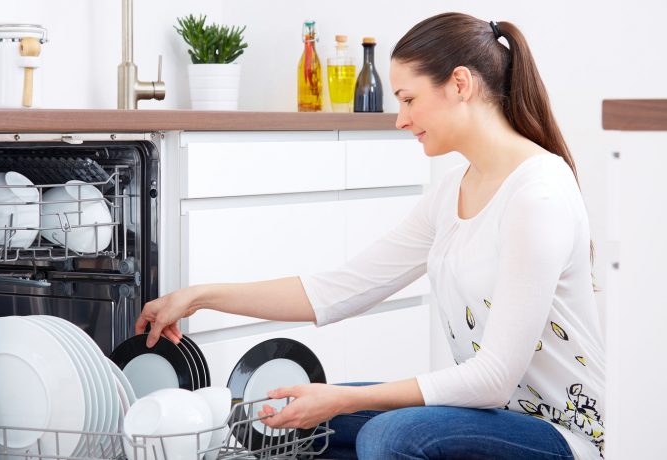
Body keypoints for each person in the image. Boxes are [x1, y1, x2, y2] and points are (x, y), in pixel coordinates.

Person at [135, 12, 604, 460]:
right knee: (284, 417)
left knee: (391, 434)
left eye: (408, 99)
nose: (400, 119)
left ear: (460, 84)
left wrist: (339, 398)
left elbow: (494, 378)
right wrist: (198, 296)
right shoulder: (452, 193)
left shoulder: (537, 194)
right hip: (488, 415)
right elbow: (341, 289)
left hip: (564, 434)